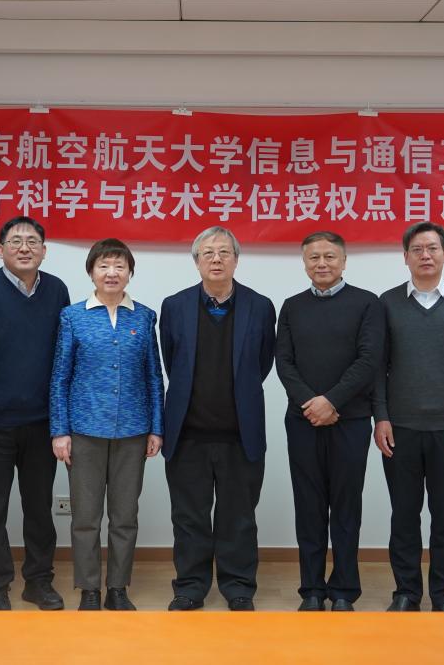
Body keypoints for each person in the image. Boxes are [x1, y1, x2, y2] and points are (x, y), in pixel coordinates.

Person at [159, 226, 276, 611]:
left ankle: (238, 586)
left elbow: (261, 364)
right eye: (207, 253)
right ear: (196, 262)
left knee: (238, 518)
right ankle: (190, 587)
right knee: (189, 518)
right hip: (187, 434)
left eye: (224, 252)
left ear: (236, 260)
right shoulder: (174, 306)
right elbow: (172, 361)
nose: (216, 259)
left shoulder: (260, 306)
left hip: (240, 434)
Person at [0, 216, 70, 611]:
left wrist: (62, 419)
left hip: (42, 423)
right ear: (0, 249)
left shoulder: (56, 290)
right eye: (16, 241)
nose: (24, 247)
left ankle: (38, 582)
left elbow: (64, 356)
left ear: (44, 250)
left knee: (39, 508)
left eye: (32, 241)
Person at [374, 220, 444, 612]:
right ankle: (406, 592)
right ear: (405, 256)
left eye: (433, 248)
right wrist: (380, 417)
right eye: (417, 249)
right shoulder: (387, 303)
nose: (426, 255)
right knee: (404, 516)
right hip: (400, 428)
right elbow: (377, 366)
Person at [49, 238, 164, 611]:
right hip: (84, 430)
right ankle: (89, 589)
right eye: (104, 265)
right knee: (85, 517)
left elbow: (153, 376)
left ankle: (117, 587)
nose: (111, 272)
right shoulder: (73, 316)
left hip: (133, 431)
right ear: (91, 272)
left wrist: (156, 428)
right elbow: (60, 377)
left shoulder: (144, 317)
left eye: (119, 266)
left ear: (129, 272)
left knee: (124, 516)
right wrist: (59, 431)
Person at [275, 231, 383, 611]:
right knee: (309, 506)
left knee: (346, 506)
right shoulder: (292, 306)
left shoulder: (367, 303)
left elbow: (369, 360)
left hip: (351, 420)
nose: (321, 263)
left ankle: (343, 591)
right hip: (302, 420)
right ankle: (312, 590)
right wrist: (312, 403)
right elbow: (284, 362)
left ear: (343, 261)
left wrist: (332, 401)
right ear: (304, 262)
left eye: (329, 256)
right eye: (314, 257)